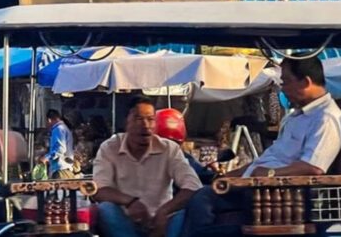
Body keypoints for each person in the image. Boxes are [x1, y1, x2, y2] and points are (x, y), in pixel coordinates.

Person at [182, 56, 341, 236]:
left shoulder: (326, 119)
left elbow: (313, 168)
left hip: (275, 195)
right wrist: (232, 176)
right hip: (256, 186)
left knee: (202, 199)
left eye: (285, 82)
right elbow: (269, 158)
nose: (282, 89)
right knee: (199, 192)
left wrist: (269, 174)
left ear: (305, 82)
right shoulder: (296, 117)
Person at [93, 96, 201, 237]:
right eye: (138, 119)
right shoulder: (110, 148)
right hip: (126, 222)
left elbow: (193, 186)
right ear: (126, 122)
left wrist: (164, 212)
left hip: (163, 222)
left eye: (150, 119)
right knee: (105, 209)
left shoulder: (169, 149)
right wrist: (131, 202)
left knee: (189, 211)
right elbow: (98, 190)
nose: (145, 125)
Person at [155, 109, 215, 185]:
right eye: (165, 143)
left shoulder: (184, 159)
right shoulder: (145, 158)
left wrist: (214, 175)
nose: (170, 147)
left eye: (174, 144)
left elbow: (202, 174)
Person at [41, 109, 76, 179]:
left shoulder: (58, 129)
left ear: (49, 120)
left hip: (60, 170)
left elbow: (60, 149)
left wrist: (46, 158)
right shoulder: (64, 128)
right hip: (66, 169)